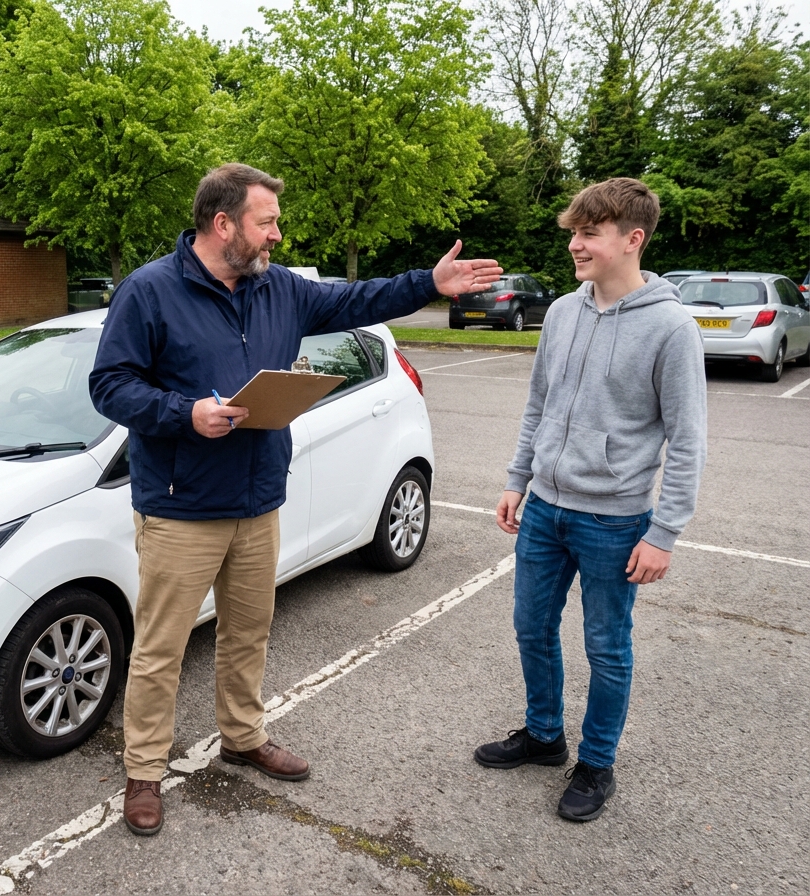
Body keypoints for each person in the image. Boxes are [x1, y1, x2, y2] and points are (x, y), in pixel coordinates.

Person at [89, 163, 502, 836]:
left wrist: (429, 283)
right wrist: (184, 413)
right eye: (267, 222)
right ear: (223, 224)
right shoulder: (149, 291)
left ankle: (242, 736)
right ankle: (144, 770)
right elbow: (109, 385)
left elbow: (356, 301)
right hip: (181, 506)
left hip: (258, 500)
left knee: (248, 631)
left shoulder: (278, 287)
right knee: (161, 648)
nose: (277, 235)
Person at [474, 177, 707, 822]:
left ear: (633, 239)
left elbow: (688, 441)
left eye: (590, 233)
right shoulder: (562, 312)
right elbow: (539, 405)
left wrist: (663, 534)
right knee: (531, 628)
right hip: (545, 509)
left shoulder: (672, 328)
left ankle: (596, 763)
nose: (576, 244)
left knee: (606, 648)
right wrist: (517, 479)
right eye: (574, 232)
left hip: (614, 520)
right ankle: (544, 735)